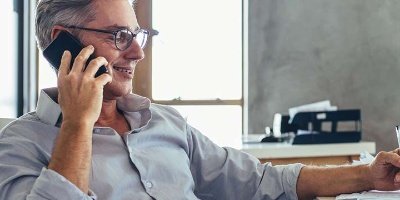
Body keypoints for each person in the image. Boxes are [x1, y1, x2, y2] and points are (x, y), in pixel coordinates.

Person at [0, 0, 400, 199]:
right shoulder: (20, 145)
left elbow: (264, 182)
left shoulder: (164, 123)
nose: (137, 53)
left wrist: (368, 176)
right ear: (62, 45)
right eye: (119, 36)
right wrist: (77, 122)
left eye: (138, 37)